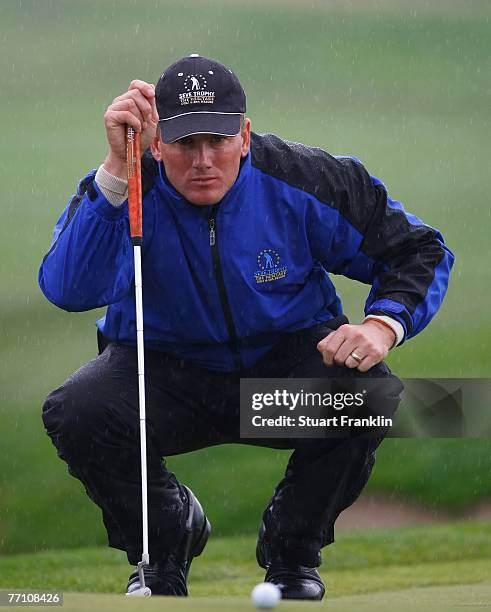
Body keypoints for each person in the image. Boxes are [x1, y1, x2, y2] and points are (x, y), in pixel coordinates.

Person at [39, 54, 454, 600]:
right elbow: (69, 289)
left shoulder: (304, 179)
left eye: (218, 139)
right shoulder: (126, 191)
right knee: (78, 410)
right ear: (156, 141)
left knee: (368, 394)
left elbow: (417, 248)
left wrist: (382, 325)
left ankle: (291, 556)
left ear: (245, 135)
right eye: (186, 142)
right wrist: (117, 169)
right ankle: (164, 546)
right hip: (165, 381)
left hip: (276, 386)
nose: (203, 160)